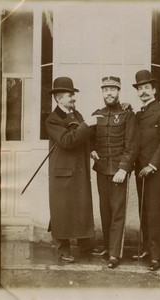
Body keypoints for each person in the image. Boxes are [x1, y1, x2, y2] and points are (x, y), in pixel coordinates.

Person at [46, 77, 101, 263]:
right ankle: (63, 250)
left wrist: (92, 148)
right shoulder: (52, 120)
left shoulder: (76, 114)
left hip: (79, 171)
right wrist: (87, 125)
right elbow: (67, 141)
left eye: (73, 95)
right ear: (58, 98)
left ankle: (85, 247)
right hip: (62, 174)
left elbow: (86, 136)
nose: (73, 98)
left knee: (81, 208)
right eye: (70, 95)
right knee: (62, 210)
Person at [90, 76, 139, 268]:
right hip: (102, 170)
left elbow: (132, 145)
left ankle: (114, 254)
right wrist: (91, 148)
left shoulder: (128, 115)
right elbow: (90, 137)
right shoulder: (97, 114)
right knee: (105, 209)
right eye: (105, 90)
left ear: (119, 92)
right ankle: (107, 246)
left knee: (117, 211)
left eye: (112, 89)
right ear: (102, 92)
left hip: (119, 171)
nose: (108, 93)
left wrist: (123, 169)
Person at [132, 70, 160, 271]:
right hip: (140, 171)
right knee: (144, 211)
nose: (143, 92)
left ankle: (156, 256)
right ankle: (148, 249)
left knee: (155, 212)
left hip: (156, 172)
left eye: (146, 88)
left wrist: (152, 165)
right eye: (140, 89)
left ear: (154, 90)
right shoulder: (138, 114)